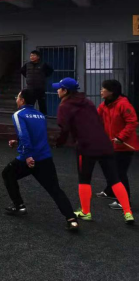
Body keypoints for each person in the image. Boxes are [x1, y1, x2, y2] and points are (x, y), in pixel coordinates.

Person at [54, 77, 134, 224]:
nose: (57, 90)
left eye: (59, 88)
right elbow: (98, 121)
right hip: (104, 143)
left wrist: (58, 143)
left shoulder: (64, 106)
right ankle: (128, 212)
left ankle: (86, 212)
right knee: (115, 178)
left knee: (84, 179)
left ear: (65, 91)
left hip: (85, 146)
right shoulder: (88, 102)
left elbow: (63, 129)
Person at [2, 89, 79, 230]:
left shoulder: (18, 114)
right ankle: (71, 219)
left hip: (28, 158)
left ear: (22, 100)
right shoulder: (41, 116)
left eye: (17, 97)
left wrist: (28, 156)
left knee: (7, 173)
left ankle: (19, 205)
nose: (16, 99)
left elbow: (24, 135)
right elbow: (36, 137)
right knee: (55, 189)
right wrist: (17, 143)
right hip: (45, 157)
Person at [96, 79, 138, 210]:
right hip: (111, 145)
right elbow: (95, 118)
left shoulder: (123, 104)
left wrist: (121, 137)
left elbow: (132, 122)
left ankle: (124, 201)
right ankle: (110, 191)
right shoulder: (104, 105)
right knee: (108, 168)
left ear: (111, 92)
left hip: (124, 146)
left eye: (103, 89)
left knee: (120, 173)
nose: (101, 91)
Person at [21, 50, 53, 115]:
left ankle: (43, 117)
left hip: (40, 88)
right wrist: (28, 77)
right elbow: (22, 71)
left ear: (38, 57)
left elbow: (50, 70)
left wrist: (43, 77)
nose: (31, 57)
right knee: (30, 104)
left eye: (33, 55)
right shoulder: (27, 65)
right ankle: (29, 116)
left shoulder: (43, 64)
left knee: (42, 104)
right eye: (31, 56)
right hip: (30, 88)